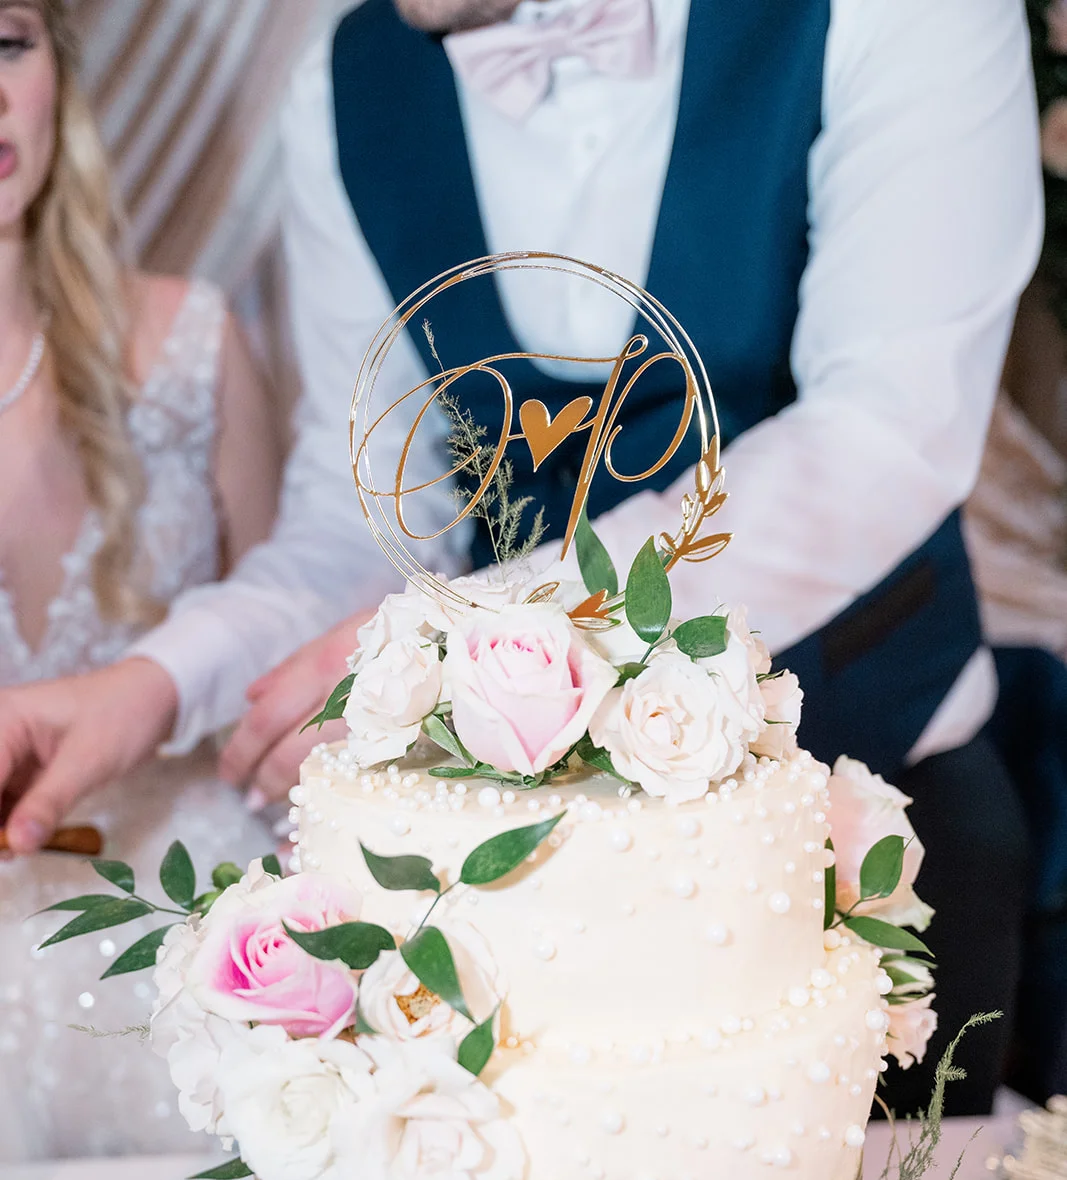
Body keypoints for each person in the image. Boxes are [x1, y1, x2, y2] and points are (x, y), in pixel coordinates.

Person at [0, 0, 1044, 1114]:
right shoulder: (348, 85)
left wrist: (466, 632)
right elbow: (361, 521)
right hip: (523, 880)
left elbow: (879, 440)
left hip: (863, 801)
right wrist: (153, 684)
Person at [0, 0, 280, 1158]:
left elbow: (289, 657)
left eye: (7, 42)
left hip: (198, 923)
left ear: (57, 73)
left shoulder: (190, 344)